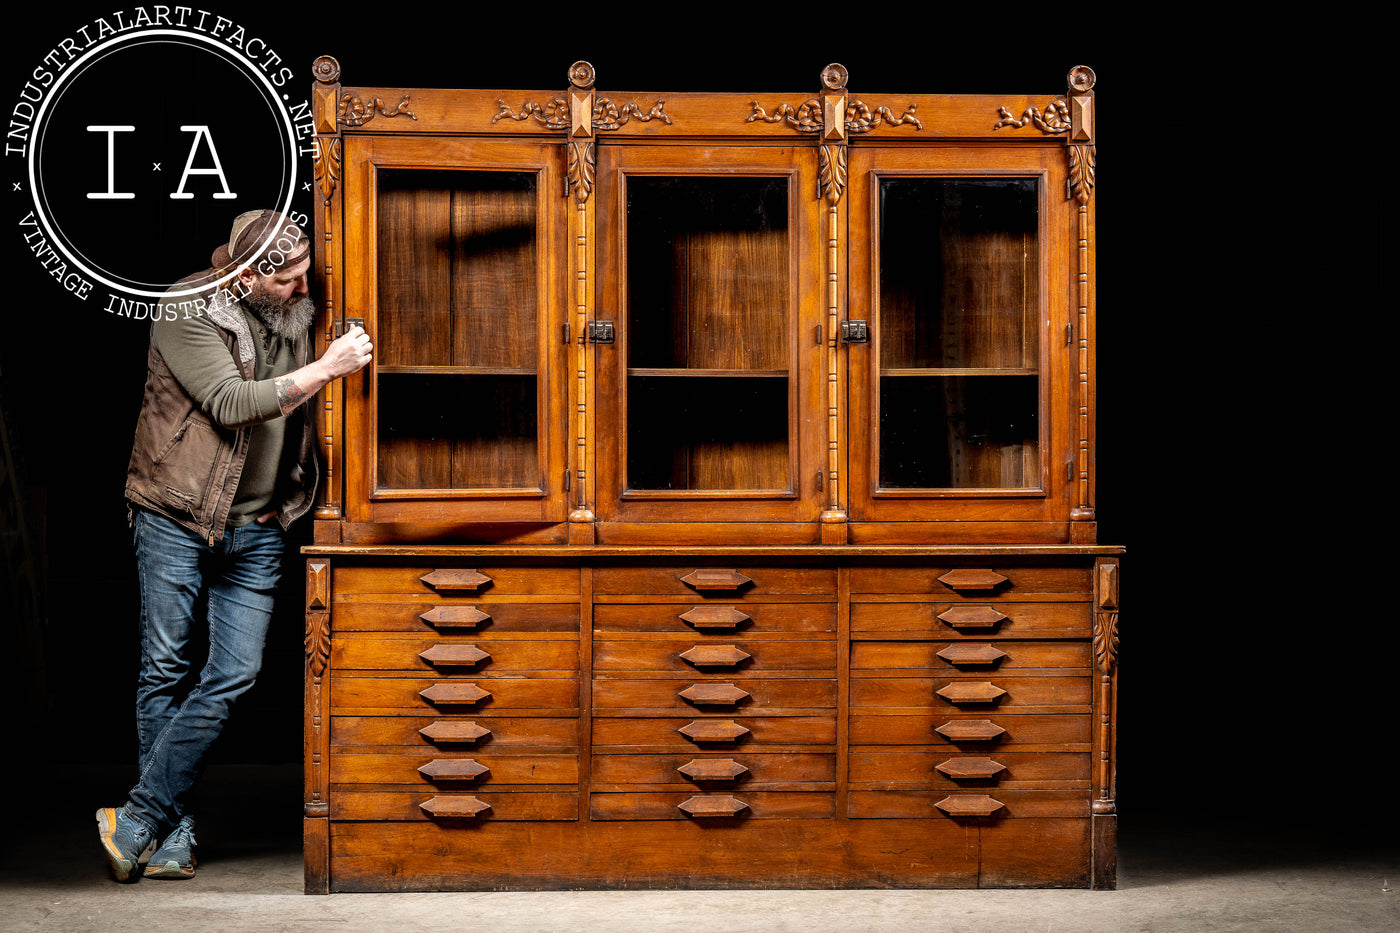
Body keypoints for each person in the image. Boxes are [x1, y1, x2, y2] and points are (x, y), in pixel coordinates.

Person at [97, 210, 372, 881]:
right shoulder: (186, 305)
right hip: (176, 513)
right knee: (165, 667)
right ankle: (173, 828)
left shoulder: (298, 308)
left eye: (308, 275)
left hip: (257, 525)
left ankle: (135, 816)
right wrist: (329, 369)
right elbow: (228, 400)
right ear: (246, 275)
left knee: (236, 673)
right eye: (288, 281)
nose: (304, 291)